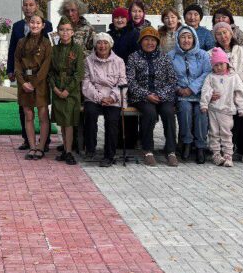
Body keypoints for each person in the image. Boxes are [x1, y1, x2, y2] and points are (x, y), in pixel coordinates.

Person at [126, 26, 179, 167]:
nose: (150, 43)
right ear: (140, 41)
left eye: (153, 40)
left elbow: (172, 80)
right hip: (141, 97)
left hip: (162, 96)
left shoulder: (164, 57)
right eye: (146, 39)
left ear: (157, 42)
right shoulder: (133, 57)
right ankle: (147, 149)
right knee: (149, 112)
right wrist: (147, 94)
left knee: (168, 112)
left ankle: (171, 151)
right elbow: (130, 81)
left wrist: (160, 95)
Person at [6, 0, 53, 150]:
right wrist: (11, 69)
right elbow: (13, 49)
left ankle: (44, 142)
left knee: (42, 111)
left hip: (40, 76)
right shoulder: (18, 26)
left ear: (36, 6)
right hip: (23, 74)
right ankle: (28, 140)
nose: (28, 7)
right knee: (25, 110)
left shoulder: (48, 25)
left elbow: (50, 50)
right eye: (25, 5)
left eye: (31, 5)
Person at [212, 22, 243, 164]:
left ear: (231, 33)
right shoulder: (211, 53)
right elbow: (209, 77)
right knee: (224, 112)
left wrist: (240, 95)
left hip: (241, 93)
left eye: (225, 32)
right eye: (219, 34)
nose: (223, 36)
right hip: (220, 95)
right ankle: (225, 150)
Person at [82, 32, 125, 167]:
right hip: (94, 96)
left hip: (113, 97)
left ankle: (109, 155)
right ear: (95, 45)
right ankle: (90, 148)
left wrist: (112, 98)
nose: (102, 45)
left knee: (112, 120)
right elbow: (86, 82)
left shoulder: (119, 61)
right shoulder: (88, 61)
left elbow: (123, 82)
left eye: (105, 43)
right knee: (89, 113)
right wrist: (100, 98)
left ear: (110, 45)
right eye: (99, 42)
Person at [170, 25, 212, 164]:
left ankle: (200, 146)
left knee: (201, 111)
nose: (186, 40)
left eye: (189, 37)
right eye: (183, 37)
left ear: (194, 39)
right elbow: (167, 76)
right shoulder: (171, 56)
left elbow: (207, 73)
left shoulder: (203, 55)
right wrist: (178, 88)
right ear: (177, 39)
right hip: (180, 93)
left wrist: (192, 88)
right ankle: (186, 143)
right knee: (185, 109)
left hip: (200, 93)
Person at [14, 14, 52, 160]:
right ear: (28, 24)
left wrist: (34, 83)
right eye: (32, 22)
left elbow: (46, 66)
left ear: (43, 25)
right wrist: (23, 82)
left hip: (40, 82)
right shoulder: (21, 42)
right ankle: (32, 146)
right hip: (24, 82)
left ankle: (41, 147)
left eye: (38, 23)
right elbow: (17, 63)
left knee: (43, 115)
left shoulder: (46, 43)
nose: (35, 25)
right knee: (28, 115)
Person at [199, 47, 243, 167]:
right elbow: (205, 90)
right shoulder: (210, 77)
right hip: (213, 109)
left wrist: (241, 107)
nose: (219, 67)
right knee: (213, 132)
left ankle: (228, 155)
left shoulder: (234, 77)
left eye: (221, 64)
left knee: (226, 132)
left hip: (227, 110)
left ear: (227, 63)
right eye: (216, 65)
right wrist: (204, 104)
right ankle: (216, 154)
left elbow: (239, 93)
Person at [51, 19, 86, 165]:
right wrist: (54, 88)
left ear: (72, 32)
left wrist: (67, 90)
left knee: (69, 121)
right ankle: (65, 149)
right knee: (62, 122)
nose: (65, 33)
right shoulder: (54, 49)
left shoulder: (77, 49)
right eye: (62, 30)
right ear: (58, 32)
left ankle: (69, 152)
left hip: (71, 91)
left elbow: (79, 73)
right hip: (57, 87)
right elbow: (50, 71)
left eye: (68, 30)